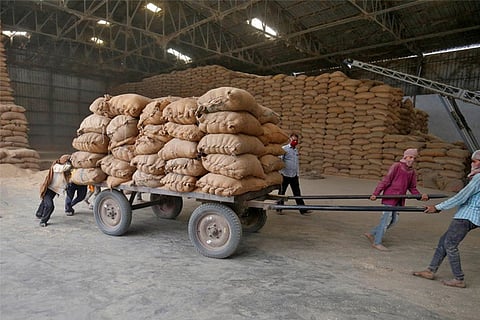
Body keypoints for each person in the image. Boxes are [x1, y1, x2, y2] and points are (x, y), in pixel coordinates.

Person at [412, 150, 479, 288]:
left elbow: (461, 196)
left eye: (475, 161)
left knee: (450, 244)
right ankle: (431, 270)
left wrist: (438, 207)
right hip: (470, 216)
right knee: (444, 241)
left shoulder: (478, 178)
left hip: (467, 216)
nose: (472, 164)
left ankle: (459, 278)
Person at [364, 148, 428, 251]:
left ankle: (371, 233)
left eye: (414, 158)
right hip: (390, 197)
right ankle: (377, 242)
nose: (411, 160)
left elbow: (412, 187)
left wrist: (420, 196)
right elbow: (386, 180)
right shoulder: (396, 166)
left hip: (399, 199)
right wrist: (376, 193)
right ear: (405, 156)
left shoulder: (411, 171)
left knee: (394, 221)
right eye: (410, 157)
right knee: (386, 220)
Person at [278, 133, 312, 216]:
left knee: (297, 193)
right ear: (290, 139)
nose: (295, 141)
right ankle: (279, 208)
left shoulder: (296, 150)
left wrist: (297, 173)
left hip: (294, 175)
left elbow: (296, 163)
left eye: (296, 140)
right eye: (293, 140)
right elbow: (280, 161)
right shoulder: (284, 149)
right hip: (285, 175)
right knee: (282, 192)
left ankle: (303, 210)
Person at [35, 154, 72, 227]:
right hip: (48, 189)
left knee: (45, 202)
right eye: (66, 160)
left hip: (54, 190)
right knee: (50, 205)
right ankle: (43, 221)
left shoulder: (66, 172)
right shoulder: (56, 166)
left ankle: (39, 213)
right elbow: (63, 168)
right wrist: (70, 162)